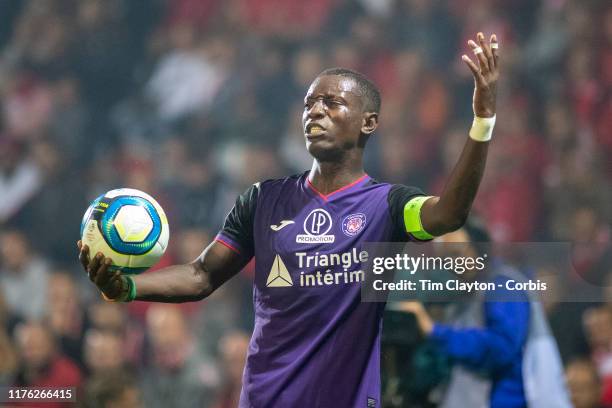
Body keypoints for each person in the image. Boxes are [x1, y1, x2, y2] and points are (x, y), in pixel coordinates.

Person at [79, 32, 500, 407]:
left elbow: (448, 214)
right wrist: (128, 286)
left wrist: (482, 122)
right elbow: (202, 275)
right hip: (268, 396)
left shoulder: (388, 206)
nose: (314, 111)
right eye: (309, 103)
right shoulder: (263, 200)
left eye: (332, 102)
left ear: (368, 122)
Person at [398, 219, 571, 408]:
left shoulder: (503, 286)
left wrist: (434, 331)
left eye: (457, 254)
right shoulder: (464, 293)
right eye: (445, 258)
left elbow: (501, 347)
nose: (453, 264)